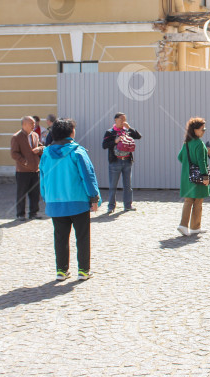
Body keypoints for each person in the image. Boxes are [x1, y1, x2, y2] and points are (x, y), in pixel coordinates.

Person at [39, 118, 101, 281]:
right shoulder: (77, 152)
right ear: (70, 132)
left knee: (60, 238)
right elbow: (88, 176)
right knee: (82, 237)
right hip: (78, 202)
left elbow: (42, 177)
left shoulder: (46, 153)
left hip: (55, 202)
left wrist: (46, 196)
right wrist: (94, 197)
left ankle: (61, 270)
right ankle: (83, 270)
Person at [102, 112, 142, 213]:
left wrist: (129, 128)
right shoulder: (110, 132)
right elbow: (104, 145)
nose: (123, 122)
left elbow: (138, 136)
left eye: (125, 119)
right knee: (113, 186)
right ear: (115, 120)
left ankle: (128, 205)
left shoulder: (127, 131)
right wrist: (115, 141)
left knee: (128, 185)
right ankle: (111, 206)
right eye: (121, 119)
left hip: (127, 161)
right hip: (115, 162)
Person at [177, 118, 210, 236]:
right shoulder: (199, 143)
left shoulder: (187, 142)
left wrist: (188, 166)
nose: (204, 131)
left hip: (187, 176)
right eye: (202, 129)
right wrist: (205, 176)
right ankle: (192, 226)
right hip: (198, 177)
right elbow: (202, 162)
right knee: (198, 201)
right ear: (195, 130)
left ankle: (188, 226)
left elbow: (180, 157)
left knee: (189, 200)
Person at [10, 115, 44, 220]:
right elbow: (14, 154)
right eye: (32, 123)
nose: (34, 125)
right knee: (21, 193)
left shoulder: (34, 135)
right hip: (23, 171)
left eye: (34, 123)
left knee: (35, 193)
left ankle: (33, 213)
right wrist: (24, 162)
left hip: (35, 169)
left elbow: (42, 146)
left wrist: (40, 149)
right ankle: (20, 214)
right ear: (24, 124)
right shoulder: (16, 137)